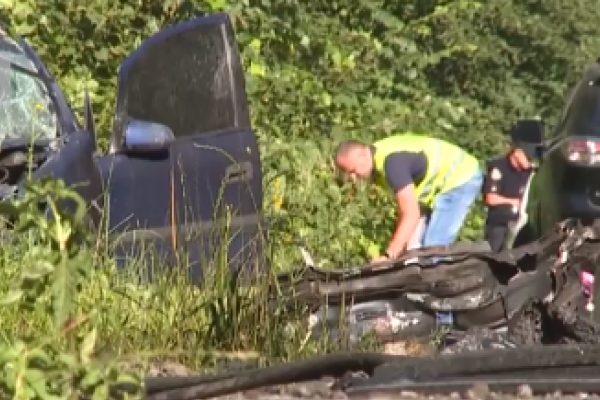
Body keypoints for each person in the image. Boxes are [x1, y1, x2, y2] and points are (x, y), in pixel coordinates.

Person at [334, 133, 483, 262]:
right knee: (412, 251)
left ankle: (438, 291)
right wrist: (401, 250)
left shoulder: (391, 164)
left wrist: (389, 255)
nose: (353, 179)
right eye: (348, 174)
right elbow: (407, 209)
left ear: (363, 154)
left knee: (433, 248)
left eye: (353, 171)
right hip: (438, 186)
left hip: (460, 176)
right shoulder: (376, 164)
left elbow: (411, 214)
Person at [483, 146, 535, 252]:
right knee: (495, 256)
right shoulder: (499, 168)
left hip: (524, 226)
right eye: (528, 158)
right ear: (517, 152)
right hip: (500, 224)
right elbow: (491, 199)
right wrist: (515, 202)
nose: (530, 162)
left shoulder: (531, 173)